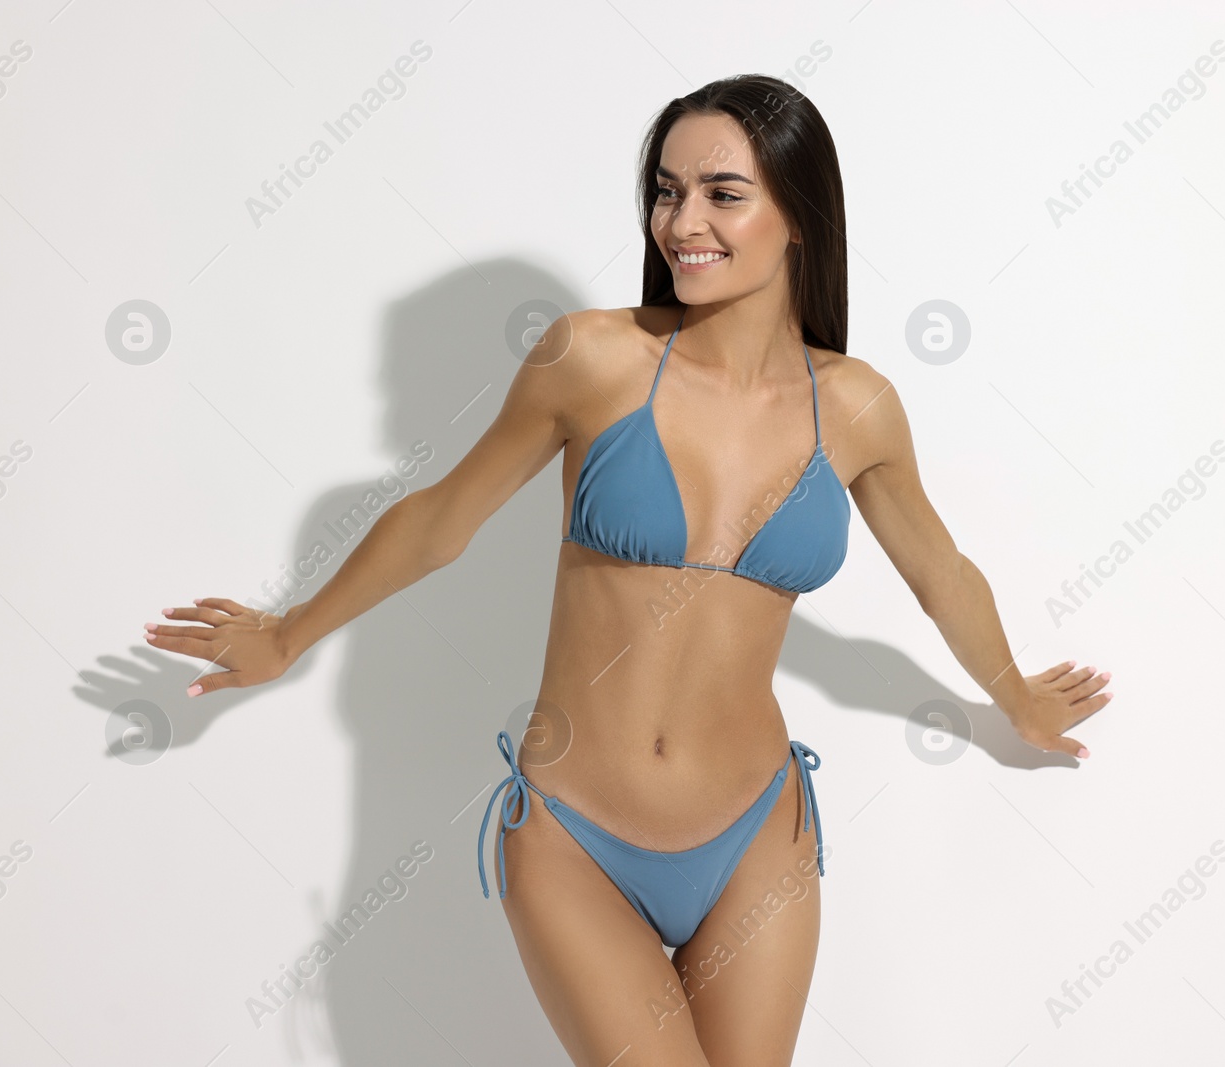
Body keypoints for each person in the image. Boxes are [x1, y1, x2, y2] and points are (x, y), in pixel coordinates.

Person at [143, 73, 1113, 1066]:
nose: (681, 220)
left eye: (721, 193)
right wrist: (287, 631)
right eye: (666, 189)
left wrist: (1016, 697)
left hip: (756, 839)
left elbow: (938, 567)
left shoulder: (857, 406)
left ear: (798, 219)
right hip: (574, 833)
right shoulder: (594, 358)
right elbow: (441, 519)